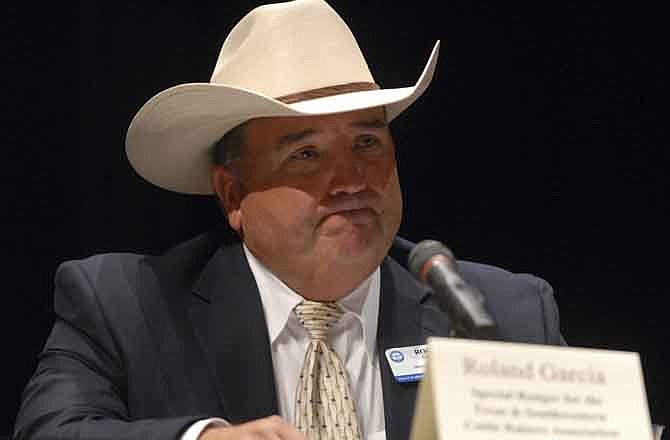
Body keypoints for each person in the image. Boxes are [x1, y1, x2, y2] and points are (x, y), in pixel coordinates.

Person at [14, 1, 564, 439]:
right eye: (306, 154)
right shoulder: (124, 305)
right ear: (233, 194)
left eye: (368, 143)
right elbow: (50, 430)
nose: (351, 179)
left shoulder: (503, 316)